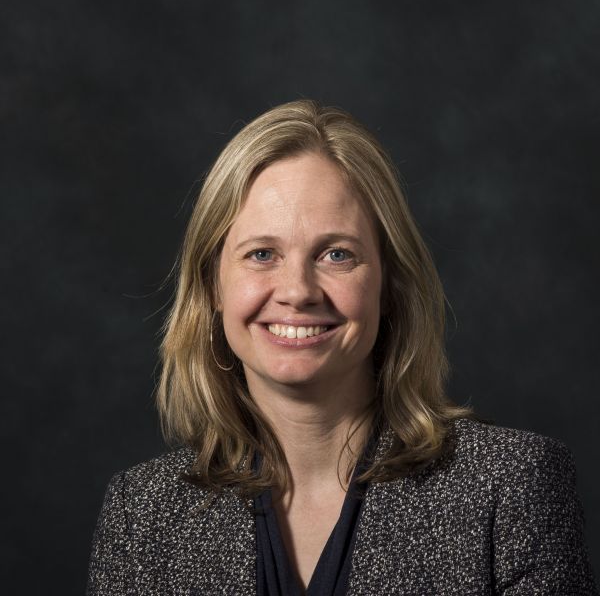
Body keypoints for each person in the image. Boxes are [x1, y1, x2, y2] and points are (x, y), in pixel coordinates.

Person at [86, 100, 598, 595]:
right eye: (261, 253)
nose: (298, 291)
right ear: (212, 288)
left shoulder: (510, 486)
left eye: (336, 254)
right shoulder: (143, 516)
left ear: (389, 285)